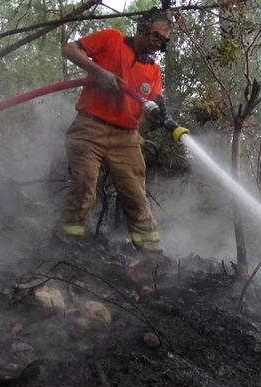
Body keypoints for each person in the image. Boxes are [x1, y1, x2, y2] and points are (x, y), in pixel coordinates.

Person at [54, 11, 183, 254]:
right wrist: (100, 73)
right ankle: (63, 245)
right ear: (142, 28)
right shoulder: (112, 39)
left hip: (127, 138)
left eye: (164, 41)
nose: (158, 43)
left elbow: (152, 102)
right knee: (84, 184)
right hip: (90, 128)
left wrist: (159, 115)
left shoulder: (153, 70)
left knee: (135, 196)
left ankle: (151, 254)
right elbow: (69, 49)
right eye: (156, 36)